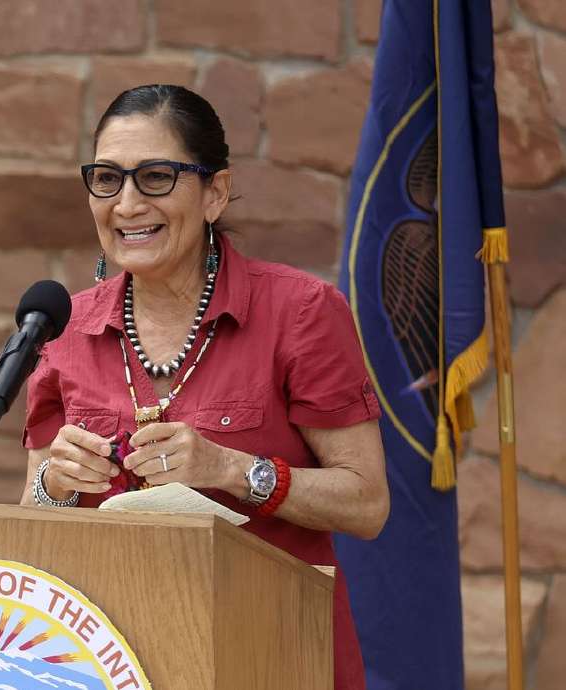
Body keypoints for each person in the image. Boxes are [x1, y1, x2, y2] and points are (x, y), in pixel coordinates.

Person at [21, 84, 389, 690]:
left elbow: (367, 503)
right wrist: (54, 484)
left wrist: (230, 468)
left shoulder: (300, 311)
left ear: (215, 192)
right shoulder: (63, 329)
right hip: (107, 661)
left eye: (157, 177)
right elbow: (32, 515)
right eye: (107, 179)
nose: (128, 203)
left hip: (267, 652)